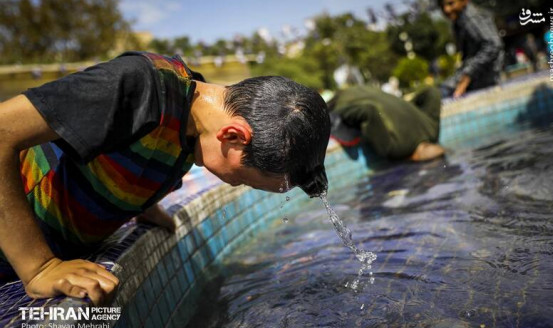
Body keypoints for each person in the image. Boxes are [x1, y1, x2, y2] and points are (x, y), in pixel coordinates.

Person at [0, 51, 330, 305]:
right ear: (233, 136)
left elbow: (133, 147)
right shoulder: (138, 85)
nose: (234, 184)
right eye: (244, 179)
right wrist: (40, 267)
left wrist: (140, 203)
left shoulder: (193, 122)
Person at [328, 85, 444, 161]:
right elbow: (368, 111)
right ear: (416, 158)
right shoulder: (396, 150)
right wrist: (335, 114)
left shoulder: (432, 130)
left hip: (365, 88)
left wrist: (405, 106)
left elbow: (432, 92)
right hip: (345, 102)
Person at [439, 0, 503, 98]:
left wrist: (467, 76)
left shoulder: (471, 18)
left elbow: (493, 45)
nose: (446, 10)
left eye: (451, 3)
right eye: (442, 6)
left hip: (482, 80)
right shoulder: (460, 20)